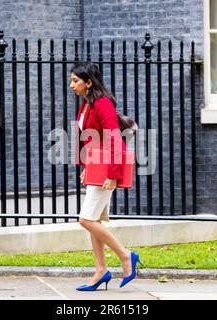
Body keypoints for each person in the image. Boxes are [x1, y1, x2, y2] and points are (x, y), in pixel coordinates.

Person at [70, 62, 143, 291]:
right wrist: (87, 166)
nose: (72, 85)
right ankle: (101, 270)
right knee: (94, 221)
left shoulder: (102, 104)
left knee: (86, 220)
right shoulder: (86, 105)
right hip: (97, 168)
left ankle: (125, 255)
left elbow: (114, 140)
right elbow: (93, 140)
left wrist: (113, 174)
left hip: (107, 172)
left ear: (89, 83)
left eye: (76, 81)